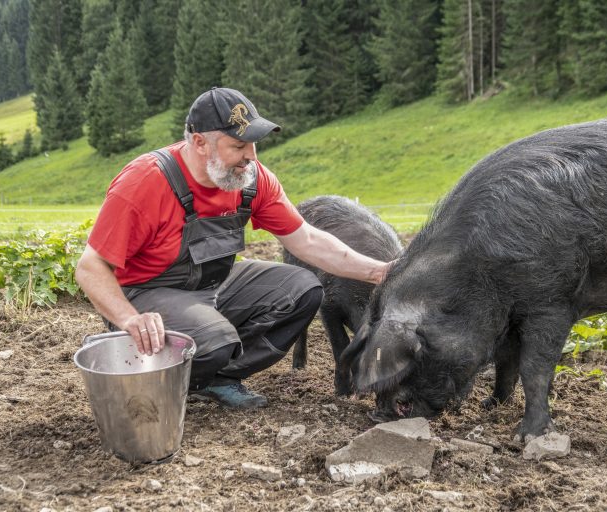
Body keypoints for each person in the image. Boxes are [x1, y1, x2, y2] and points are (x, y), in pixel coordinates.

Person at [75, 87, 390, 409]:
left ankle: (216, 377)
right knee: (215, 340)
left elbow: (306, 239)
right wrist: (129, 319)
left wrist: (379, 271)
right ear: (199, 143)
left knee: (305, 290)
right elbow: (90, 267)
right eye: (238, 145)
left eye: (253, 144)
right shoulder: (146, 182)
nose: (251, 156)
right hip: (145, 297)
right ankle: (168, 368)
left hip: (211, 286)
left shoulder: (251, 180)